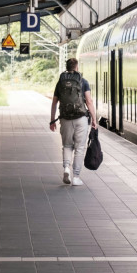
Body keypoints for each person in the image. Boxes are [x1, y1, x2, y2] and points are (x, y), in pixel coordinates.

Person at [49, 58, 98, 186]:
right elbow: (89, 101)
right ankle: (76, 177)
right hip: (81, 119)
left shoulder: (60, 82)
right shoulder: (83, 81)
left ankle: (66, 168)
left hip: (65, 119)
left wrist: (52, 120)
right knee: (79, 148)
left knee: (67, 145)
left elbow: (54, 102)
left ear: (66, 67)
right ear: (77, 67)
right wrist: (94, 119)